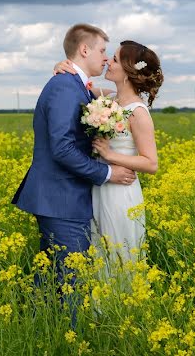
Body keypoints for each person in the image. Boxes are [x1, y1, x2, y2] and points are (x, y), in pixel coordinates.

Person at [12, 23, 138, 322]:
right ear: (84, 50)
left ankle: (37, 331)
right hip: (62, 199)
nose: (106, 58)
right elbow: (63, 148)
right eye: (103, 50)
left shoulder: (78, 86)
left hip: (66, 196)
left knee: (52, 278)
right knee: (71, 282)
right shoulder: (63, 86)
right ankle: (68, 338)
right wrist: (107, 174)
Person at [54, 39, 164, 276]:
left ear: (128, 71)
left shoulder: (137, 112)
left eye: (114, 59)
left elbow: (151, 163)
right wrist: (63, 66)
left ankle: (121, 307)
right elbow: (83, 85)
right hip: (101, 185)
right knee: (99, 251)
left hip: (121, 191)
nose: (107, 61)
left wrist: (109, 154)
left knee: (119, 252)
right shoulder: (111, 99)